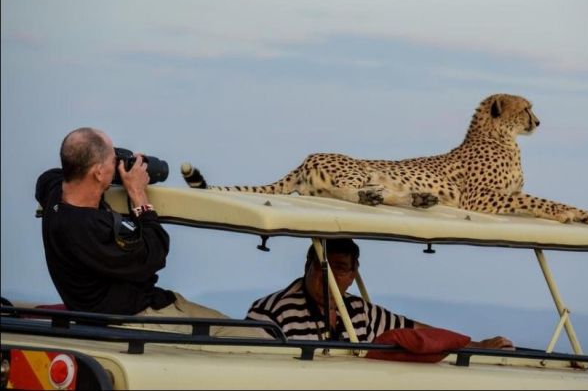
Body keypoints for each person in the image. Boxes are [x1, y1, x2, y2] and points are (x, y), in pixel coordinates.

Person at [36, 127, 263, 338]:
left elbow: (50, 176)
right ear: (97, 172)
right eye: (112, 160)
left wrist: (107, 178)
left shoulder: (54, 193)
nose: (116, 163)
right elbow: (156, 251)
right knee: (249, 338)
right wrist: (137, 193)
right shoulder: (92, 229)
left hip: (135, 309)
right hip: (137, 319)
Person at [246, 238, 514, 349]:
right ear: (308, 266)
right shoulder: (272, 311)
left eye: (339, 269)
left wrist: (475, 346)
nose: (328, 276)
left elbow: (416, 332)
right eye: (321, 266)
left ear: (352, 276)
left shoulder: (360, 311)